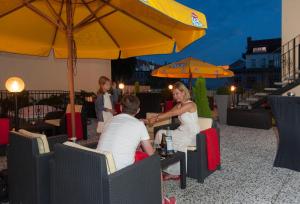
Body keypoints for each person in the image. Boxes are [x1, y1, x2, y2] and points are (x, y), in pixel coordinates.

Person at [97, 95, 176, 204]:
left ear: (120, 108)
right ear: (138, 110)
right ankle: (162, 201)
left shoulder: (110, 121)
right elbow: (151, 153)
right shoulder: (138, 125)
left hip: (99, 167)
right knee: (155, 163)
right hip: (120, 173)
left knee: (139, 155)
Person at [147, 81, 200, 180]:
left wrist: (155, 119)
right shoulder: (179, 104)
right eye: (173, 94)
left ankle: (175, 172)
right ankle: (163, 164)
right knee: (160, 133)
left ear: (183, 92)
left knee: (172, 142)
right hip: (182, 130)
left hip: (191, 134)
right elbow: (169, 112)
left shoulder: (191, 104)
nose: (175, 96)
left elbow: (175, 113)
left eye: (177, 93)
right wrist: (151, 119)